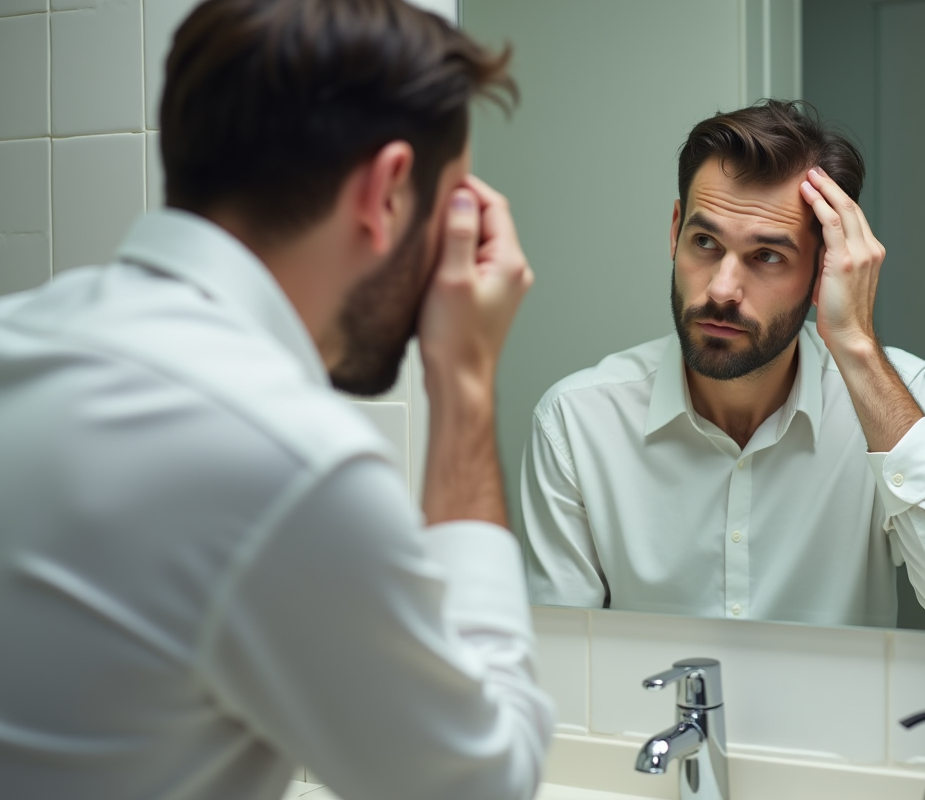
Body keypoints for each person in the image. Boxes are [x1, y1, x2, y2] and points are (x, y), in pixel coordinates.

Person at [0, 1, 553, 797]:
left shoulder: (26, 332)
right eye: (455, 202)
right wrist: (464, 386)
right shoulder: (287, 463)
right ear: (388, 192)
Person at [521, 100, 925, 633]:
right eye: (705, 243)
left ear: (826, 266)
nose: (722, 290)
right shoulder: (577, 421)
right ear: (674, 232)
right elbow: (564, 661)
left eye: (767, 256)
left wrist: (857, 349)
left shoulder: (901, 397)